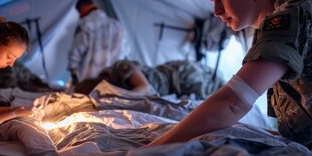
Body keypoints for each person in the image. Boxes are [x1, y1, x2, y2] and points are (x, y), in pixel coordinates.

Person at [145, 0, 312, 152]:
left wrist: (151, 150)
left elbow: (233, 102)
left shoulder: (290, 17)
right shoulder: (276, 24)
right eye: (213, 1)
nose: (216, 11)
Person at [73, 59, 225, 99]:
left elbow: (144, 87)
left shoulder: (120, 67)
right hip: (172, 85)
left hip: (176, 76)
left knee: (218, 88)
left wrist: (118, 99)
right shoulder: (115, 82)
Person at [67, 0, 129, 87]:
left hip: (89, 84)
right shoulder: (118, 25)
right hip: (113, 84)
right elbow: (125, 52)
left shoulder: (85, 24)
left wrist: (74, 77)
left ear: (81, 9)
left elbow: (75, 54)